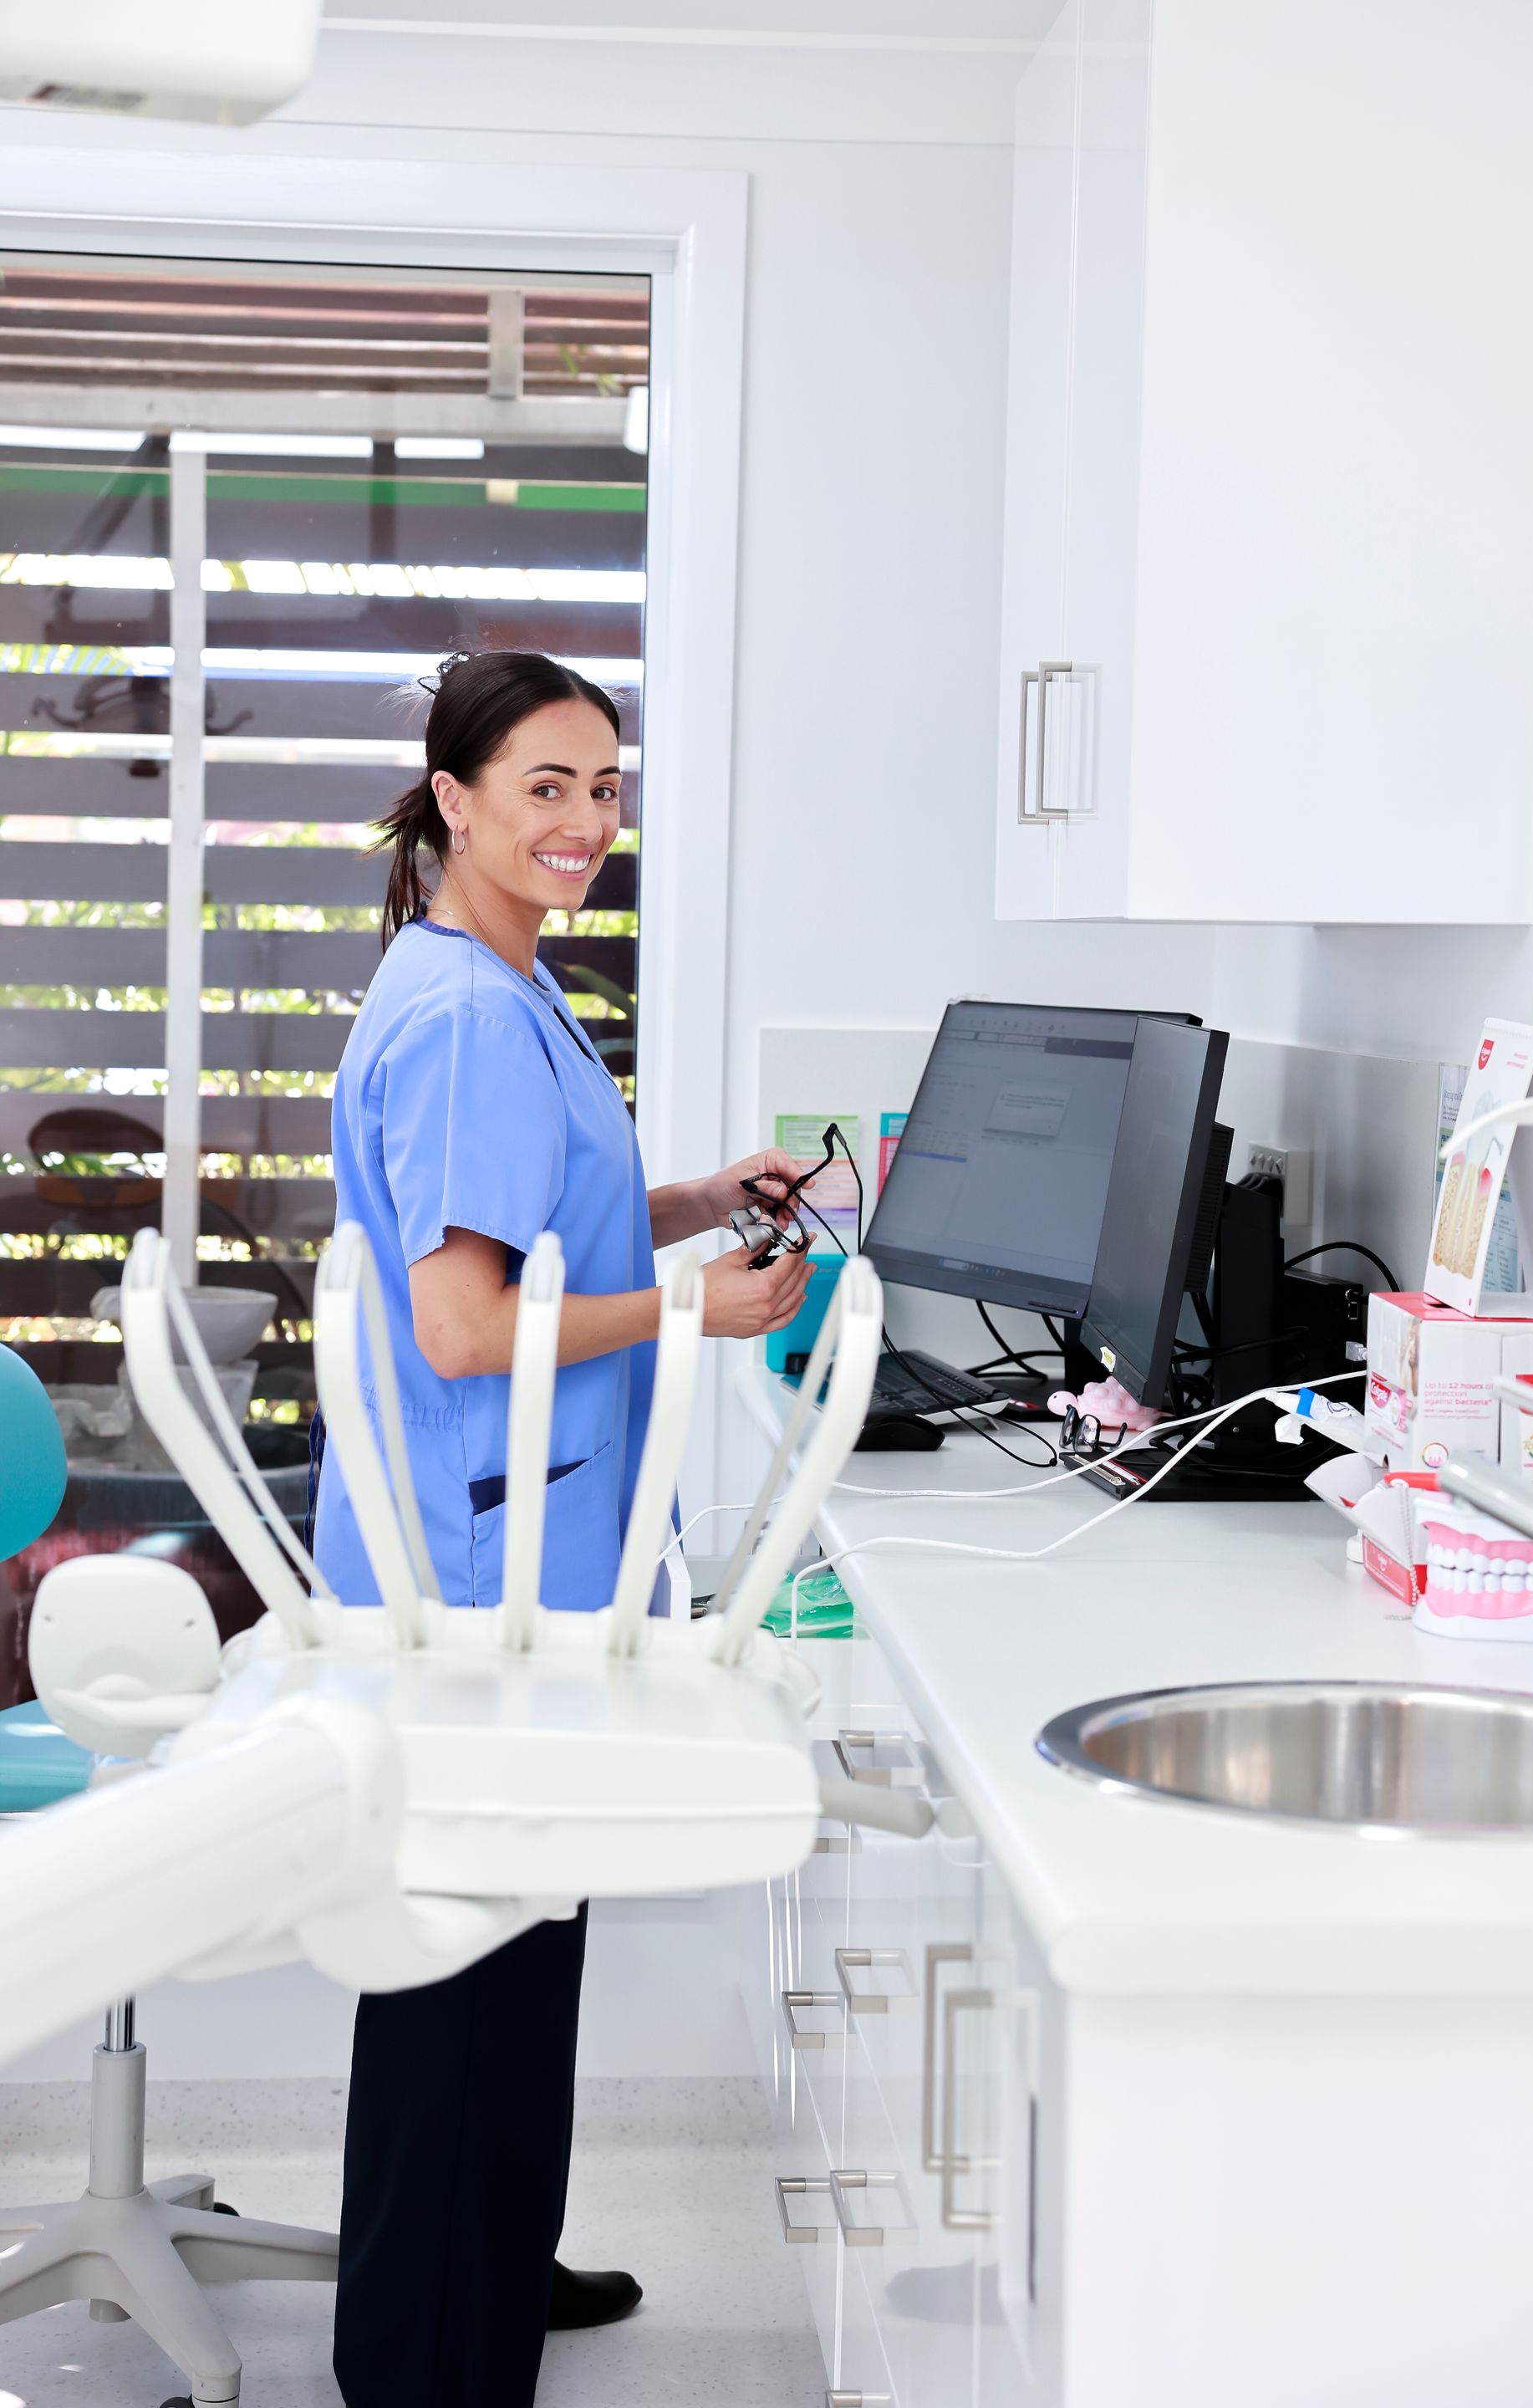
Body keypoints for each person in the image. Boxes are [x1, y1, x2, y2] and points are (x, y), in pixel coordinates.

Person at [314, 649, 813, 2408]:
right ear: (453, 798)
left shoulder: (496, 980)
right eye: (547, 786)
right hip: (477, 1567)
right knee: (457, 1967)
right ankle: (417, 2360)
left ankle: (493, 2273)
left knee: (519, 1946)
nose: (589, 823)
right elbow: (463, 1329)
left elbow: (535, 1226)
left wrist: (683, 1205)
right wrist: (703, 1313)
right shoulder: (462, 1013)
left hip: (518, 1543)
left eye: (607, 789)